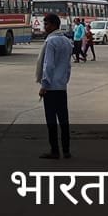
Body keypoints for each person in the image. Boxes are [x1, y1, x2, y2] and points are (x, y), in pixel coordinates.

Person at [34, 13, 73, 159]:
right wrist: (64, 81)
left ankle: (55, 150)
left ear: (54, 25)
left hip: (51, 87)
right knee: (64, 119)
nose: (45, 27)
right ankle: (66, 149)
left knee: (51, 119)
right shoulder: (66, 41)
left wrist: (44, 84)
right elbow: (68, 67)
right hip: (62, 87)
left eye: (47, 24)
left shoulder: (51, 42)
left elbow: (48, 65)